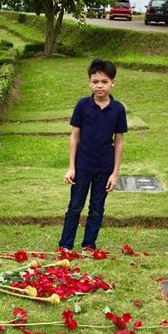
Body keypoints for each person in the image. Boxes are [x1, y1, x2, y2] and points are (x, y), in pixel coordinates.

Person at [58, 58, 127, 251]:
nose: (99, 86)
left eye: (104, 82)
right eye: (95, 81)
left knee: (97, 208)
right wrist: (71, 167)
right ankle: (66, 245)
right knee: (74, 207)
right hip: (82, 166)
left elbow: (119, 142)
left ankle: (89, 244)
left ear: (113, 82)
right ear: (90, 82)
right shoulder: (83, 105)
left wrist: (115, 173)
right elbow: (74, 137)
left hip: (105, 167)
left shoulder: (118, 109)